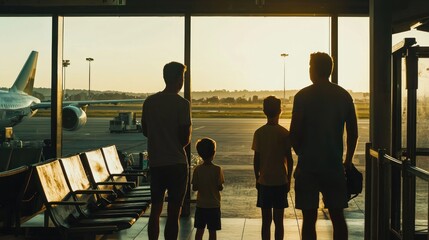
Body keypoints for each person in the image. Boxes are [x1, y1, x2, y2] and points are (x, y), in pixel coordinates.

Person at [290, 52, 358, 240]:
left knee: (309, 219)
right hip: (333, 166)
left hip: (308, 166)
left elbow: (293, 134)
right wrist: (348, 161)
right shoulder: (343, 96)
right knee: (337, 217)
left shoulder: (302, 96)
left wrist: (302, 153)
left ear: (313, 69)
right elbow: (353, 133)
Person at [141, 61, 192, 240]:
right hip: (177, 163)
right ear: (179, 79)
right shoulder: (182, 104)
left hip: (156, 163)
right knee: (173, 213)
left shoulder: (150, 102)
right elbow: (185, 139)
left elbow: (145, 130)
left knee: (155, 210)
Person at [252, 96, 294, 240]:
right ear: (280, 111)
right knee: (279, 221)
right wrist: (288, 179)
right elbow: (289, 159)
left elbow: (256, 159)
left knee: (266, 221)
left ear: (264, 110)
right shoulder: (284, 133)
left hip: (264, 181)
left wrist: (257, 178)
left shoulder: (259, 133)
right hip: (280, 181)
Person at [192, 137, 225, 240]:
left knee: (199, 230)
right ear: (213, 153)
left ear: (199, 153)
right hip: (213, 205)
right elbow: (220, 187)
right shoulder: (217, 169)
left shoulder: (197, 170)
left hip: (201, 205)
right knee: (212, 231)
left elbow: (195, 187)